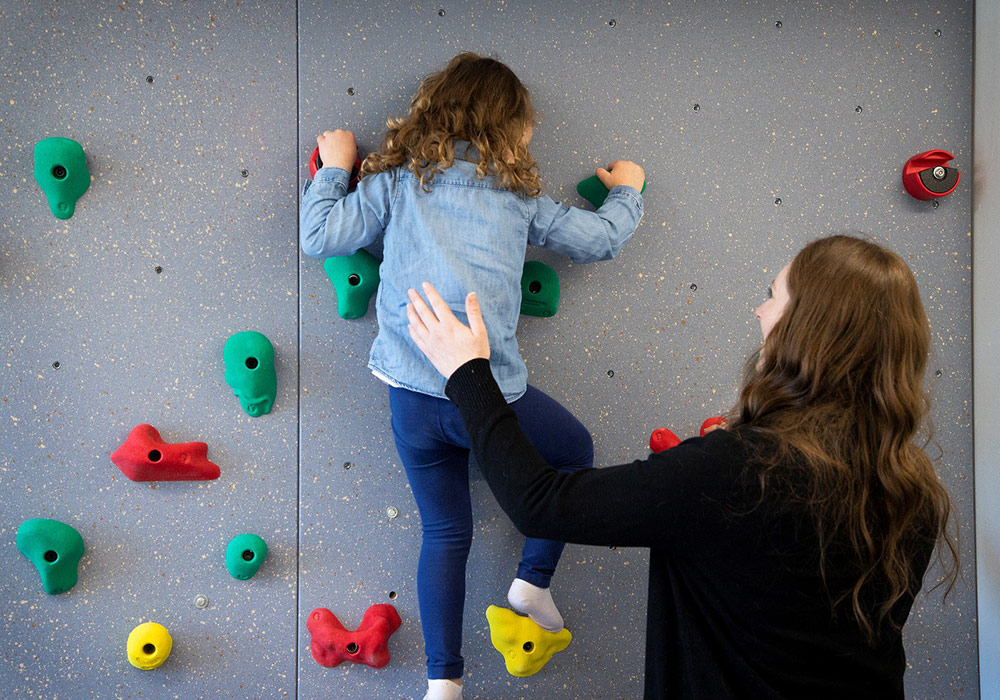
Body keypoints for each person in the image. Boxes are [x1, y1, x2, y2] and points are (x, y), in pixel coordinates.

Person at [405, 234, 958, 700]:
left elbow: (541, 503)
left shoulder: (737, 472)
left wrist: (471, 374)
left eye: (773, 296)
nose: (760, 311)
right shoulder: (909, 486)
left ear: (807, 328)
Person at [299, 52, 646, 700]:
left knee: (445, 534)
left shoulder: (400, 180)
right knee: (572, 450)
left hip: (411, 397)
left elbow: (318, 234)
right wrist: (628, 187)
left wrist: (339, 167)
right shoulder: (518, 197)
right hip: (485, 398)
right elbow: (600, 239)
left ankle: (444, 683)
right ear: (509, 129)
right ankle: (532, 581)